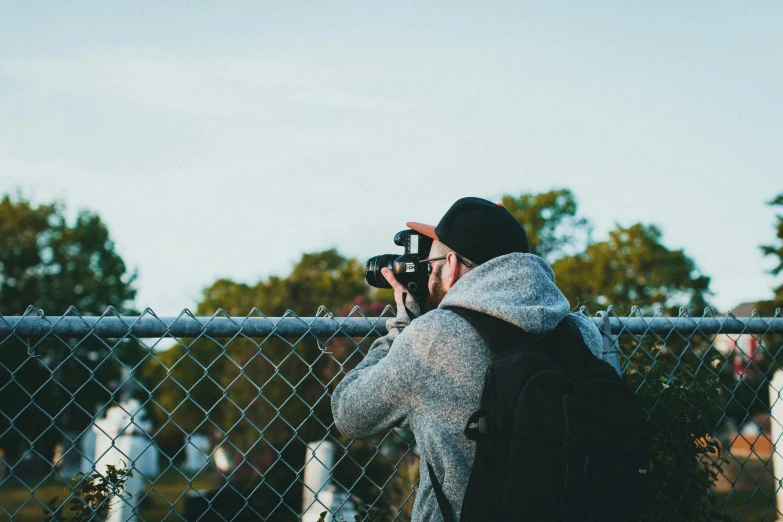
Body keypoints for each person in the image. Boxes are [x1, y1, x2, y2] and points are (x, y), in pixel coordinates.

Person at [331, 196, 604, 522]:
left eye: (431, 266)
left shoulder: (433, 338)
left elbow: (348, 413)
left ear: (454, 267)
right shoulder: (580, 333)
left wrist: (402, 327)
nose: (427, 274)